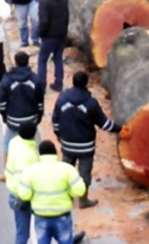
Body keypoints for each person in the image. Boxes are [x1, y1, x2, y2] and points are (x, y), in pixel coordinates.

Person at [52, 71, 123, 208]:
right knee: (84, 173)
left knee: (66, 170)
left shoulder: (62, 99)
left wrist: (58, 134)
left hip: (67, 144)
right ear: (86, 84)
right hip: (86, 146)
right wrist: (120, 129)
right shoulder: (91, 103)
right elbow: (104, 124)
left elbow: (55, 120)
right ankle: (83, 200)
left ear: (73, 82)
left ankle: (66, 196)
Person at [18, 140, 86, 244]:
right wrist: (68, 193)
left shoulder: (31, 171)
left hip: (41, 218)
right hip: (62, 217)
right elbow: (80, 190)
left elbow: (24, 194)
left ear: (40, 154)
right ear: (55, 153)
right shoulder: (67, 169)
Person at [0, 51, 45, 182]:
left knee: (7, 145)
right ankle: (34, 175)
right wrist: (38, 117)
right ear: (28, 62)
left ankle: (6, 173)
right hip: (30, 119)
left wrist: (4, 116)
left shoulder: (7, 79)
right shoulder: (35, 79)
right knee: (31, 145)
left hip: (13, 119)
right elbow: (40, 101)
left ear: (15, 62)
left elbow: (1, 101)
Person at [5, 122, 40, 244]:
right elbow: (24, 180)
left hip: (15, 194)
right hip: (25, 198)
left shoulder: (14, 142)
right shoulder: (28, 155)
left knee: (22, 232)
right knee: (25, 232)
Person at [37, 0, 69, 92]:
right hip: (61, 34)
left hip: (49, 36)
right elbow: (66, 16)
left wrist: (40, 33)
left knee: (42, 60)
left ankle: (41, 84)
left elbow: (43, 21)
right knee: (58, 59)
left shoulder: (44, 0)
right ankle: (58, 83)